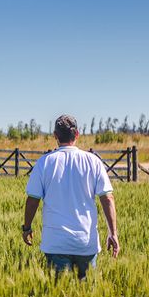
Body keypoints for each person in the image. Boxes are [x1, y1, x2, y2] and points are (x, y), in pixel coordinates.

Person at [22, 114, 120, 280]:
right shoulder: (93, 161)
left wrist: (27, 228)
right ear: (77, 134)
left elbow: (32, 200)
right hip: (85, 243)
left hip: (56, 243)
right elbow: (107, 198)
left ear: (55, 136)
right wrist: (113, 233)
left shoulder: (44, 162)